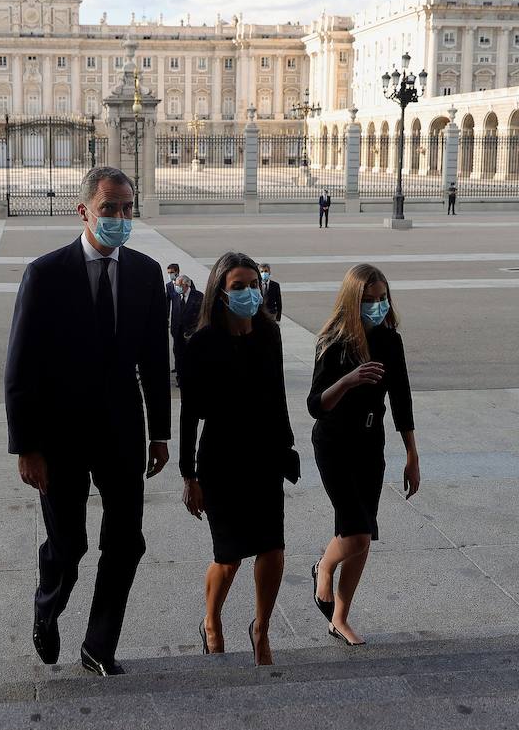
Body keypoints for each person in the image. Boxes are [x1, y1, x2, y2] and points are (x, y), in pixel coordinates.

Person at [5, 166, 171, 677]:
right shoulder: (46, 274)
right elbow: (20, 366)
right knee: (69, 542)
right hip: (59, 436)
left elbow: (154, 362)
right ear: (84, 211)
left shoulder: (145, 273)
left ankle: (99, 644)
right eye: (109, 209)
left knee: (126, 541)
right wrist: (26, 446)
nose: (120, 218)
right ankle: (48, 604)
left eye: (127, 208)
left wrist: (160, 432)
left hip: (121, 429)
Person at [179, 252, 298, 665]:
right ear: (220, 292)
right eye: (238, 286)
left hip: (264, 454)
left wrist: (288, 446)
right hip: (221, 460)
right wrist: (188, 474)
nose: (249, 292)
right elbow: (190, 413)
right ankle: (211, 621)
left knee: (273, 549)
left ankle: (261, 629)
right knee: (228, 557)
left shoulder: (269, 332)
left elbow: (278, 393)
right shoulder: (202, 344)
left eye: (253, 285)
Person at [308, 264, 419, 646]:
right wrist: (348, 380)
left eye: (382, 299)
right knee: (356, 534)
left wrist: (412, 453)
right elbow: (315, 405)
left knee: (363, 538)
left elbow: (402, 399)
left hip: (371, 446)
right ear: (352, 301)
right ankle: (322, 567)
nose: (377, 306)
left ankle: (339, 617)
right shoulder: (333, 342)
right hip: (335, 444)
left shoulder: (391, 341)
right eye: (368, 300)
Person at [170, 275, 203, 388]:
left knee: (192, 355)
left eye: (178, 285)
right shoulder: (175, 296)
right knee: (178, 356)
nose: (176, 287)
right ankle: (180, 378)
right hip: (177, 332)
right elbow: (174, 313)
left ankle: (193, 376)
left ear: (186, 285)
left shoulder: (198, 296)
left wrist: (196, 330)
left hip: (191, 333)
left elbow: (200, 315)